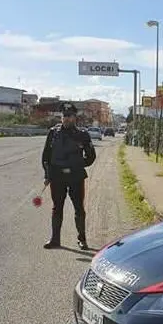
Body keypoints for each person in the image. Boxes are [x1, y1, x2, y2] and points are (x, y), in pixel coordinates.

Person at [41, 105, 96, 250]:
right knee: (57, 207)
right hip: (57, 176)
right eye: (64, 115)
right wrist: (47, 174)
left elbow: (91, 156)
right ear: (61, 117)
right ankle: (55, 240)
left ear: (75, 117)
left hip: (76, 177)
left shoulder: (83, 134)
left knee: (79, 208)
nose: (66, 118)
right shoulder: (53, 133)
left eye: (69, 115)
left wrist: (77, 164)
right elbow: (46, 156)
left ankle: (82, 239)